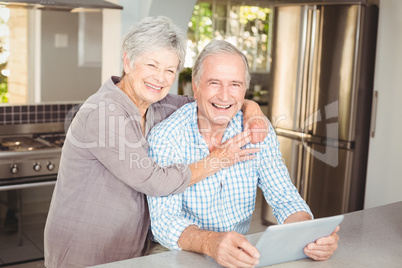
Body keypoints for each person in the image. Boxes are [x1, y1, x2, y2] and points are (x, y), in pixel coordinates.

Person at [43, 17, 267, 268]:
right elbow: (154, 180)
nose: (160, 78)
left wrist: (251, 107)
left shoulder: (160, 105)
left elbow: (211, 101)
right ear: (128, 61)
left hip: (134, 246)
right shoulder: (103, 112)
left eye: (170, 70)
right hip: (85, 248)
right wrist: (219, 159)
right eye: (152, 65)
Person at [147, 40, 340, 268]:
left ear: (244, 90)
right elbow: (164, 220)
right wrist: (211, 243)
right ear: (196, 86)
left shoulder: (256, 130)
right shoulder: (167, 137)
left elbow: (284, 196)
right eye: (214, 83)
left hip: (235, 256)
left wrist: (311, 234)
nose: (225, 96)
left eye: (235, 85)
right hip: (177, 254)